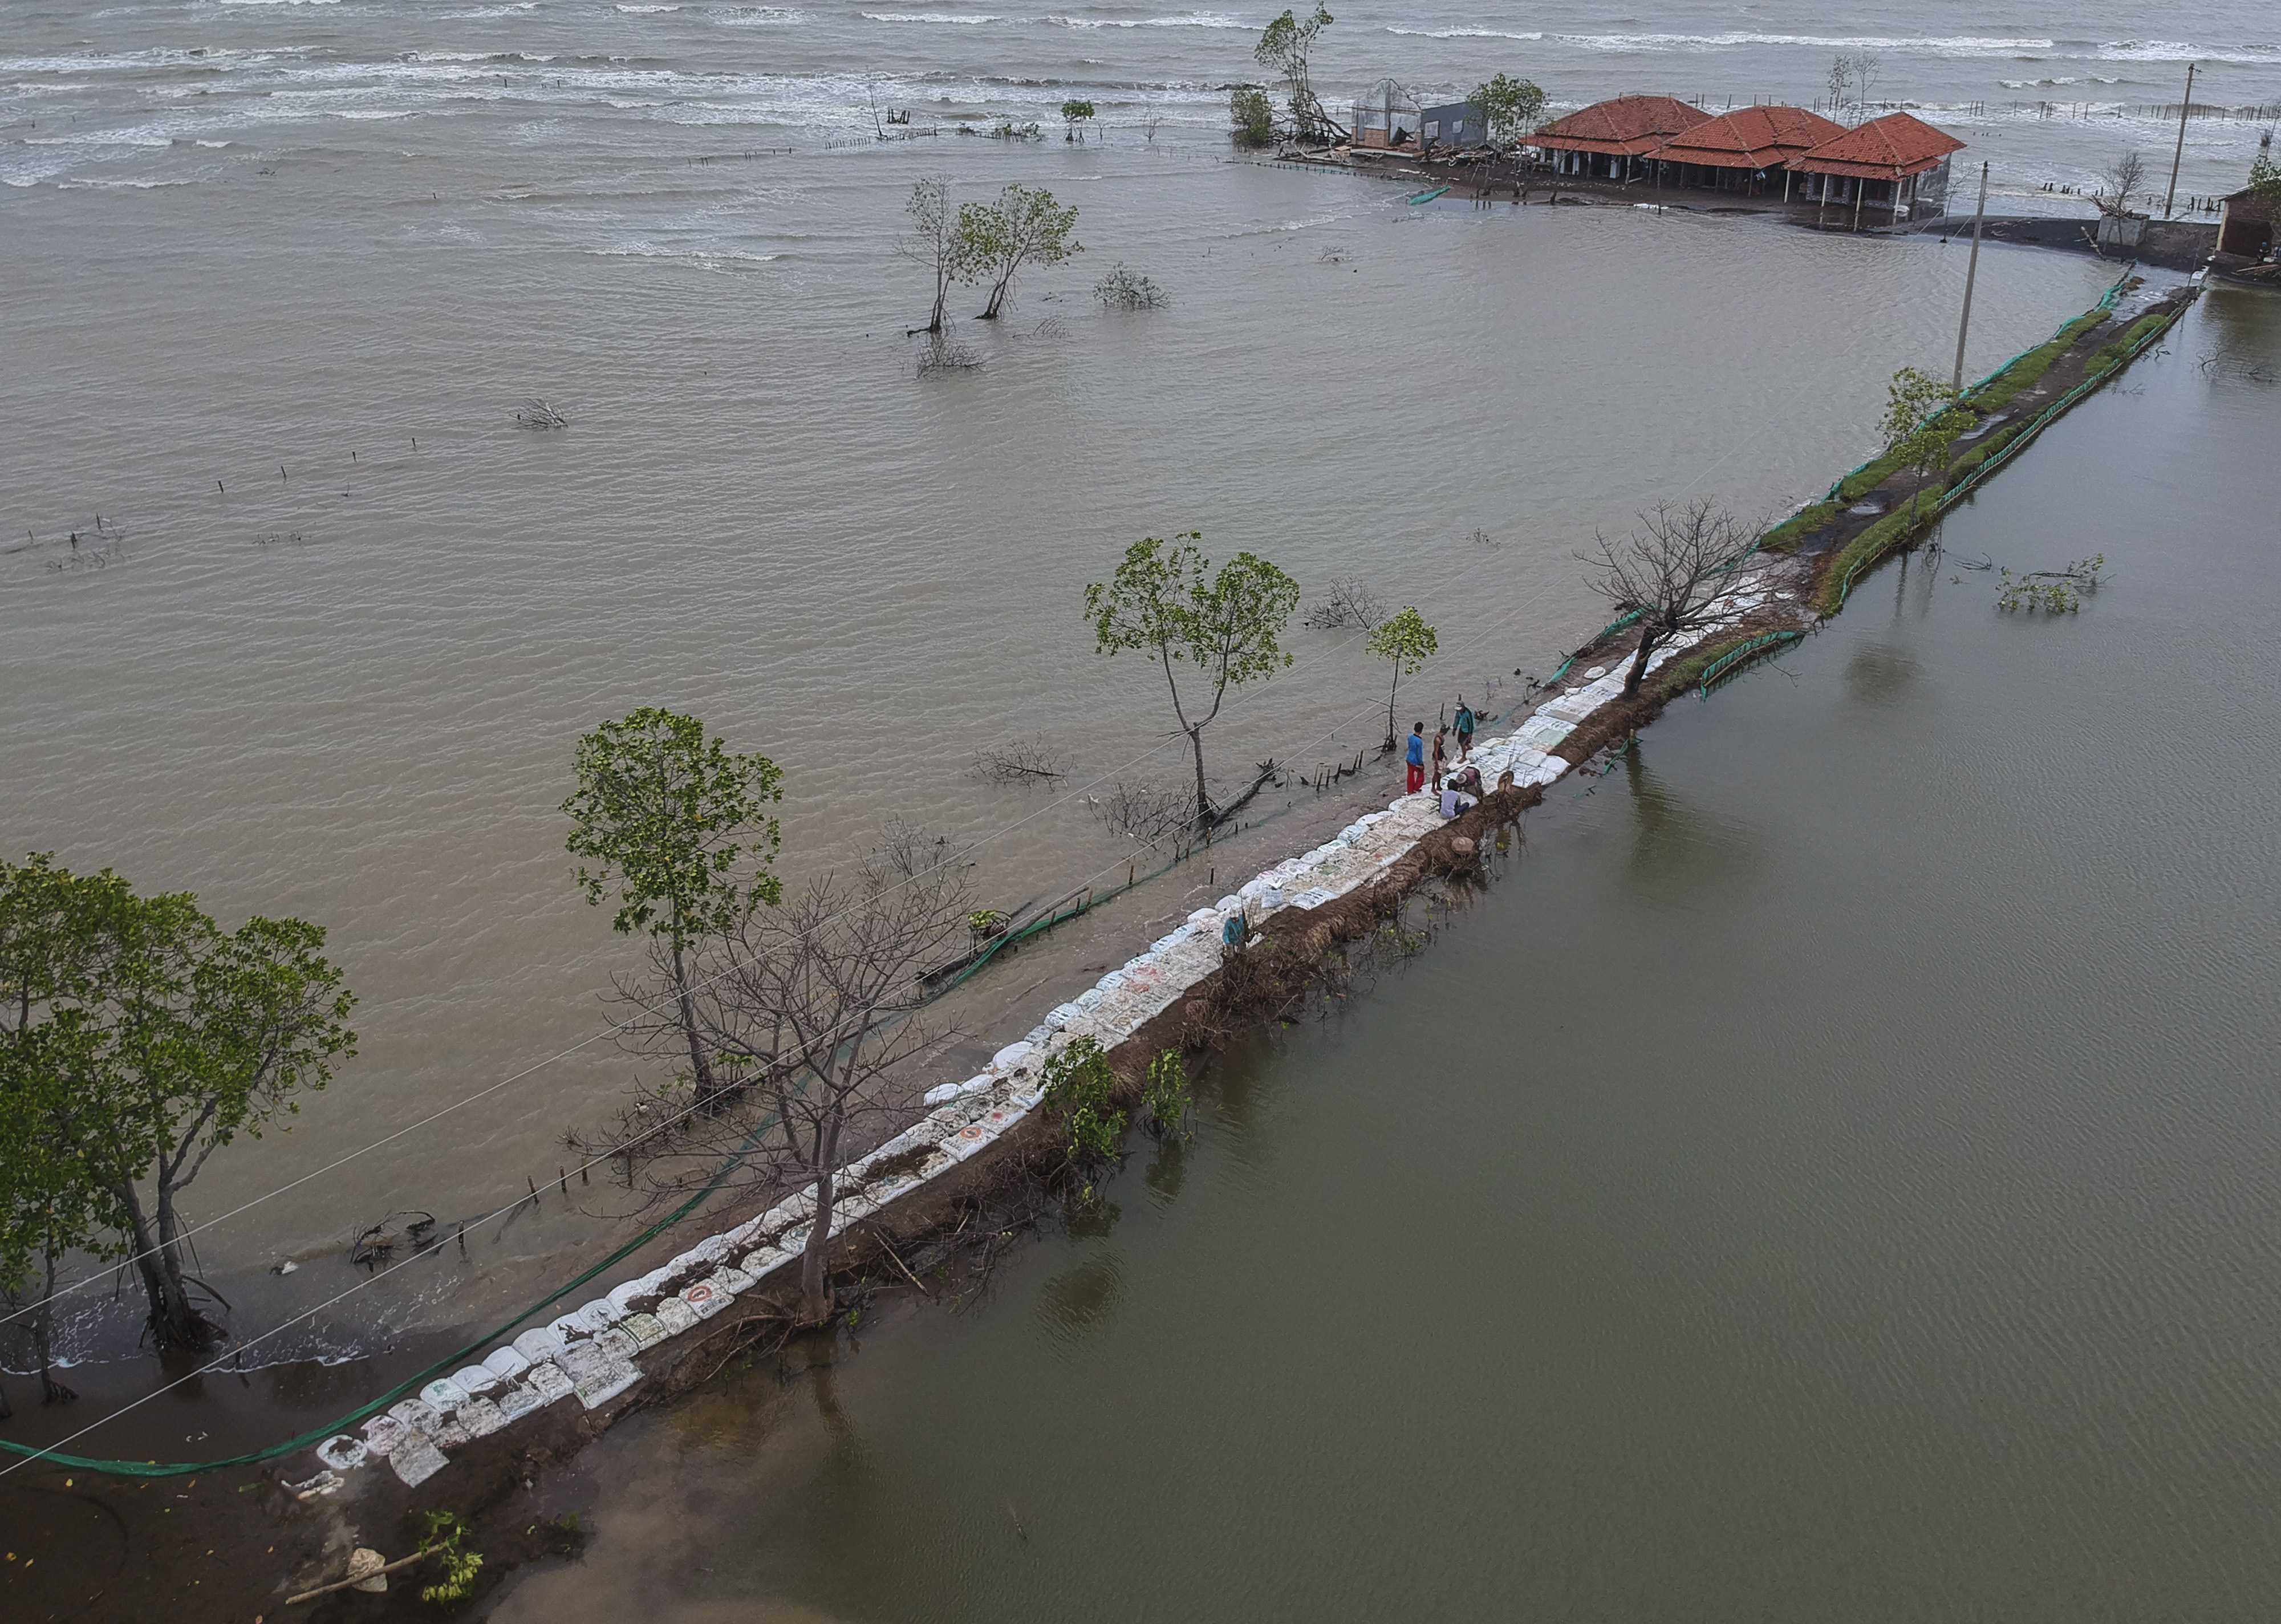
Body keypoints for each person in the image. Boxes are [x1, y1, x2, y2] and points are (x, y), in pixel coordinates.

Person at [1405, 722, 1426, 794]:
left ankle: (1410, 790)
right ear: (1421, 731)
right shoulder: (1419, 741)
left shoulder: (1410, 737)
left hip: (1409, 758)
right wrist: (1421, 763)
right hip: (1415, 761)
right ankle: (1416, 788)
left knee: (1410, 776)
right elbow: (1419, 753)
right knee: (1421, 776)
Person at [1454, 697, 1475, 762]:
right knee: (1460, 741)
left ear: (1463, 707)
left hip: (1467, 730)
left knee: (1463, 743)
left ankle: (1464, 757)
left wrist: (1470, 734)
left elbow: (1471, 724)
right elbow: (1457, 720)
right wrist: (1455, 729)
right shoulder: (1459, 712)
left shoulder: (1468, 713)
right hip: (1462, 728)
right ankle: (1469, 747)